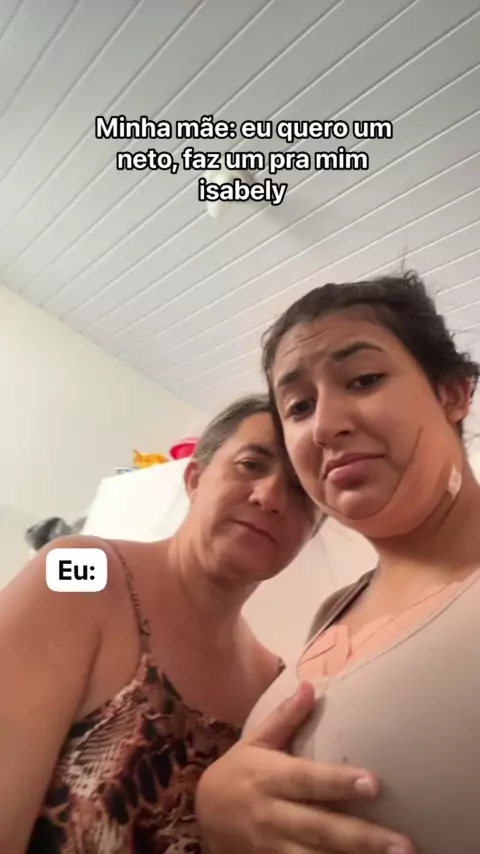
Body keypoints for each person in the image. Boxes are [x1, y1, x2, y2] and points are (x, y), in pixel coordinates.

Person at [196, 270, 480, 854]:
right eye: (299, 407)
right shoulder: (334, 610)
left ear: (453, 393)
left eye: (364, 379)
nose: (325, 425)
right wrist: (215, 800)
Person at [0, 394, 320, 854]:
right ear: (195, 479)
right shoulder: (80, 566)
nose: (270, 497)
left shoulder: (274, 686)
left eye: (300, 489)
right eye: (251, 465)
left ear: (312, 529)